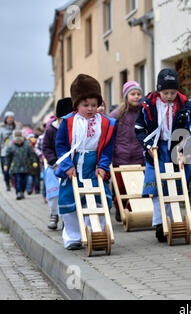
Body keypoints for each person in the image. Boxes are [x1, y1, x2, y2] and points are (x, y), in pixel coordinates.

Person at [55, 74, 116, 250]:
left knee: (98, 200)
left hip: (93, 166)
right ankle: (73, 237)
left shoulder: (105, 123)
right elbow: (61, 146)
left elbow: (107, 148)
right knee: (71, 203)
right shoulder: (68, 122)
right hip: (73, 166)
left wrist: (103, 166)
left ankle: (96, 233)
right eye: (85, 105)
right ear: (76, 104)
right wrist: (66, 166)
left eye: (93, 105)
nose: (90, 109)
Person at [135, 68, 191, 243]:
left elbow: (188, 130)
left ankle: (174, 220)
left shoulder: (184, 106)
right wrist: (148, 145)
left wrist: (183, 151)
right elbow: (139, 128)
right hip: (156, 149)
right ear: (159, 90)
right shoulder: (148, 105)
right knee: (157, 186)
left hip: (176, 148)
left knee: (174, 185)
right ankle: (160, 223)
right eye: (165, 92)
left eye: (173, 92)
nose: (169, 96)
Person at [109, 81, 145, 222]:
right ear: (126, 96)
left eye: (138, 94)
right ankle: (119, 208)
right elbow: (109, 136)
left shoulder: (143, 113)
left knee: (137, 188)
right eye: (133, 94)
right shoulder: (116, 115)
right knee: (121, 188)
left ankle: (131, 210)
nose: (136, 97)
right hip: (121, 158)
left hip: (138, 156)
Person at [42, 97, 73, 230]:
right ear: (58, 118)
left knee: (68, 193)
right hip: (54, 166)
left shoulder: (73, 128)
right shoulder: (51, 130)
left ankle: (67, 218)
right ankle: (54, 214)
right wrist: (54, 162)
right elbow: (46, 148)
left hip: (70, 167)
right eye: (62, 119)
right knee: (54, 192)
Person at [5, 130, 34, 200]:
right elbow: (8, 157)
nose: (18, 142)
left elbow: (31, 154)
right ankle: (18, 192)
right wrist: (6, 165)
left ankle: (22, 192)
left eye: (20, 140)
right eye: (17, 140)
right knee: (18, 180)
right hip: (16, 167)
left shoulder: (27, 145)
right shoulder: (11, 147)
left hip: (25, 166)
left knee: (24, 181)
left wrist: (34, 161)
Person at [0, 111, 16, 191]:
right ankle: (7, 183)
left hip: (14, 152)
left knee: (12, 170)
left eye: (11, 118)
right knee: (5, 171)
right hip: (4, 152)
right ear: (5, 119)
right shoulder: (1, 129)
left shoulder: (16, 128)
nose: (10, 119)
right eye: (8, 118)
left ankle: (12, 182)